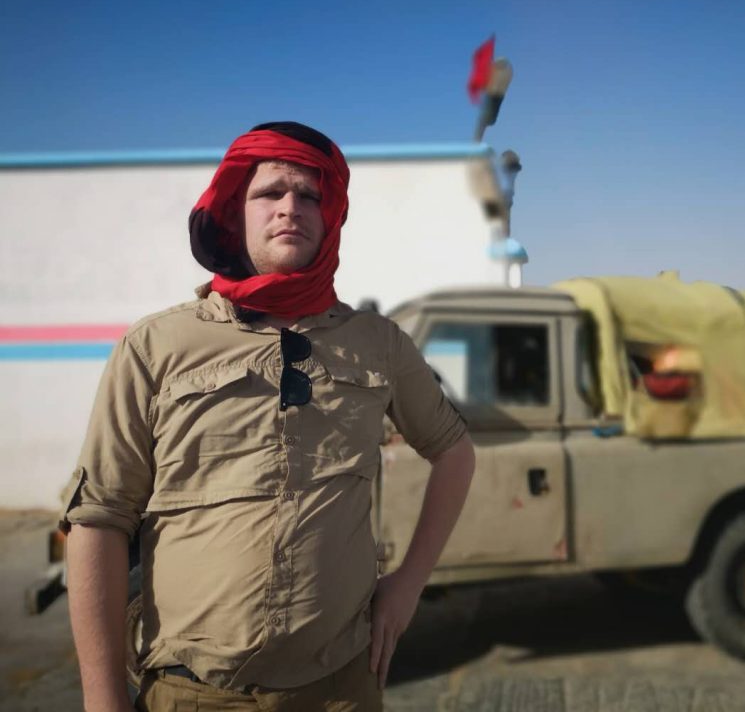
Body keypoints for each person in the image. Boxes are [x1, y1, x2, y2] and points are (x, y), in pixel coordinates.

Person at [60, 121, 476, 711]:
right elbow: (99, 520)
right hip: (193, 694)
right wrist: (102, 700)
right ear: (235, 209)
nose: (291, 208)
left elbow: (454, 451)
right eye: (271, 192)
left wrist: (408, 584)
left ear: (330, 217)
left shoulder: (377, 343)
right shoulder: (156, 346)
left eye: (311, 196)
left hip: (340, 690)